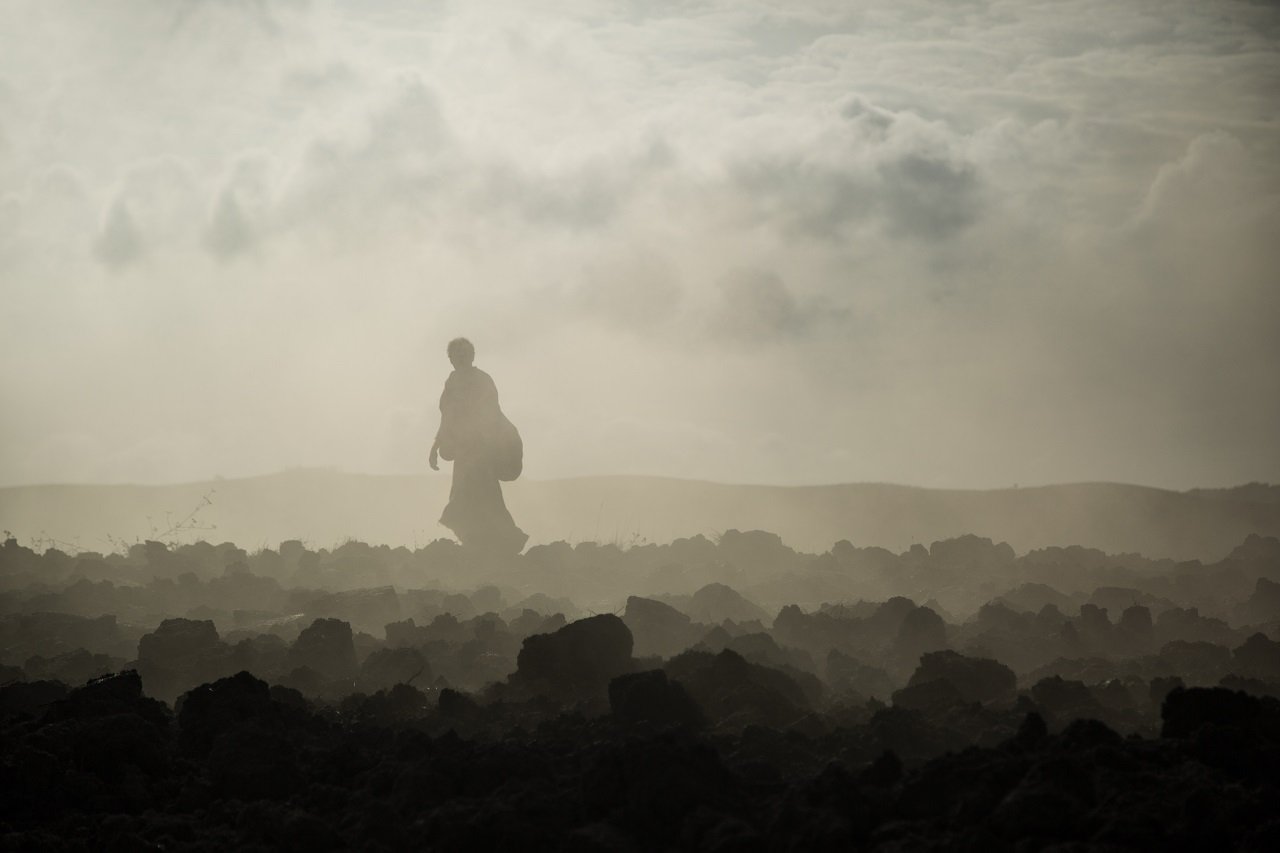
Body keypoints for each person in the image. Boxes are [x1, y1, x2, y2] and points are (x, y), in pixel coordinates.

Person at [429, 337, 528, 554]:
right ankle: (476, 544)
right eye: (456, 354)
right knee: (463, 496)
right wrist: (436, 445)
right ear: (451, 359)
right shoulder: (452, 381)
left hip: (482, 450)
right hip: (465, 451)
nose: (461, 357)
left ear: (473, 356)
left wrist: (480, 440)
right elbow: (447, 414)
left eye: (465, 353)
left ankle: (502, 542)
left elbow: (489, 413)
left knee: (484, 495)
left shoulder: (483, 380)